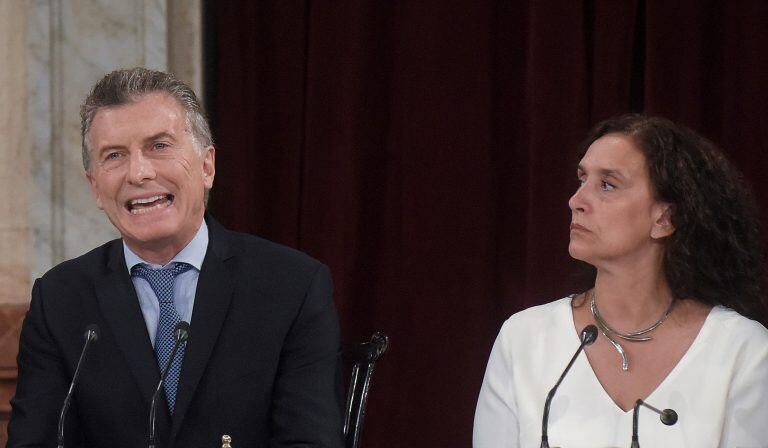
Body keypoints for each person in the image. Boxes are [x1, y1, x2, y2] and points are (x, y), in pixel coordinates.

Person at [8, 68, 343, 447]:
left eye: (159, 146)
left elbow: (310, 440)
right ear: (96, 188)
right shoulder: (60, 300)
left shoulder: (291, 286)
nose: (139, 172)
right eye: (115, 155)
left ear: (207, 166)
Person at [473, 114, 768, 447]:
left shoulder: (743, 351)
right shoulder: (523, 339)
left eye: (607, 185)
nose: (576, 201)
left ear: (665, 218)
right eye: (581, 179)